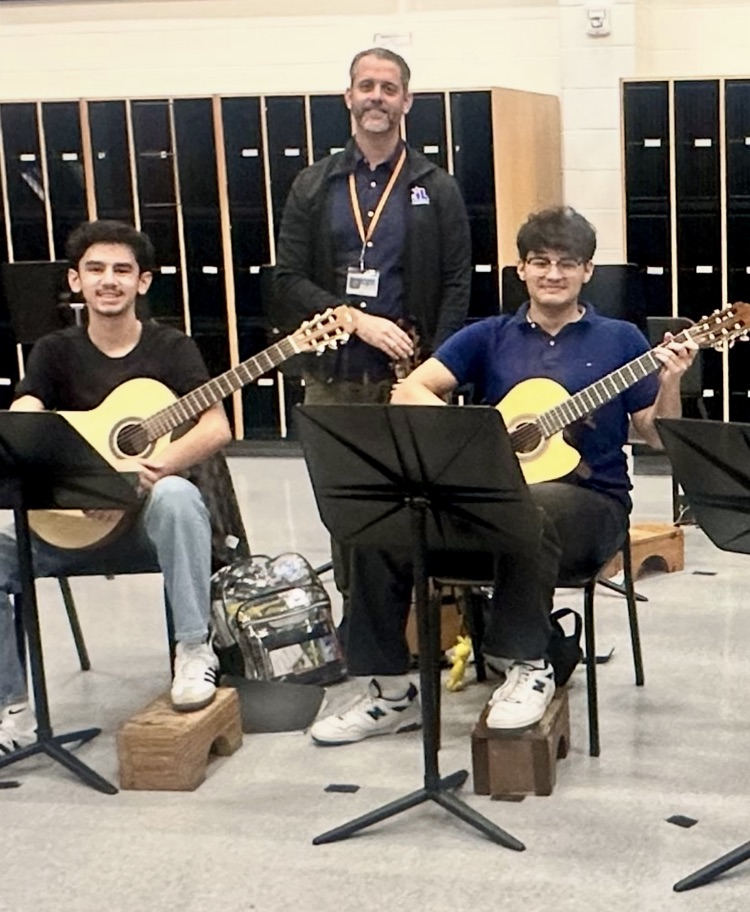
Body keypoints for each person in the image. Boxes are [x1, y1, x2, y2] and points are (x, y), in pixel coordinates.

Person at [309, 205, 697, 745]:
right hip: (488, 501)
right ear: (521, 270)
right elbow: (411, 389)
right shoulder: (489, 336)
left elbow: (657, 435)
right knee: (386, 522)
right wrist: (477, 440)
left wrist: (672, 380)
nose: (554, 274)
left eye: (568, 263)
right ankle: (391, 691)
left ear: (588, 271)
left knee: (532, 509)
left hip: (590, 504)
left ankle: (527, 663)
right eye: (541, 261)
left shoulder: (622, 341)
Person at [0, 219, 232, 754]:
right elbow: (29, 408)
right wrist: (25, 421)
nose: (109, 280)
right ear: (75, 281)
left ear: (143, 282)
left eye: (122, 270)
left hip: (141, 528)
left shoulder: (171, 348)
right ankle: (12, 709)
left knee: (179, 497)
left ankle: (194, 651)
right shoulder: (54, 352)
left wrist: (147, 474)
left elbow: (216, 425)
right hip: (64, 531)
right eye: (96, 269)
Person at [273, 47, 471, 644]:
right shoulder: (314, 184)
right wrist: (354, 319)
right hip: (334, 377)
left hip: (411, 379)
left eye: (389, 88)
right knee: (348, 504)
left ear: (407, 102)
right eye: (367, 86)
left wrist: (441, 367)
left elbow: (460, 280)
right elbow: (287, 279)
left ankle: (426, 622)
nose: (377, 98)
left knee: (420, 500)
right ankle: (363, 626)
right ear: (348, 97)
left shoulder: (436, 187)